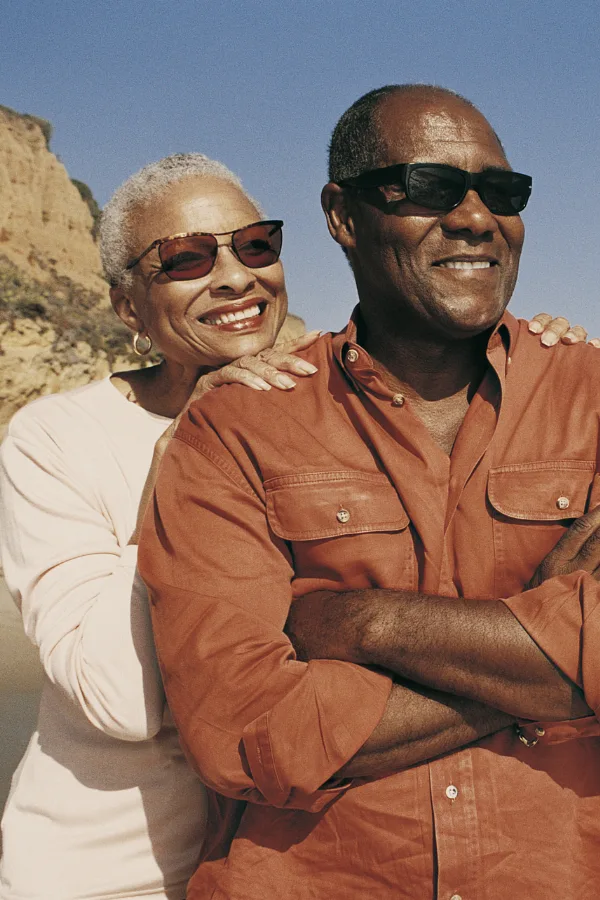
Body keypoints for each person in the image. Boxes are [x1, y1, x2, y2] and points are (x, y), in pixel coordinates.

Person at [140, 85, 600, 899]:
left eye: (502, 192)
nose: (475, 217)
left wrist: (366, 623)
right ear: (342, 216)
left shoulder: (590, 398)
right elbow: (244, 730)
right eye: (430, 186)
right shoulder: (236, 428)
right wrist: (551, 666)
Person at [0, 152, 322, 900]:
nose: (236, 276)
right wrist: (185, 453)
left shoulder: (328, 407)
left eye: (256, 246)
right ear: (129, 309)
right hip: (106, 878)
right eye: (186, 259)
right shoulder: (55, 439)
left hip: (281, 871)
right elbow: (118, 701)